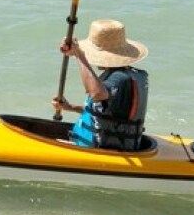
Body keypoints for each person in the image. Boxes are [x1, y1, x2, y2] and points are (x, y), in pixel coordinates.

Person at [51, 18, 149, 151]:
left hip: (103, 150)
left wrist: (79, 55)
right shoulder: (123, 74)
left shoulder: (119, 78)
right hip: (99, 144)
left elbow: (97, 94)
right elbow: (106, 114)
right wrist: (70, 107)